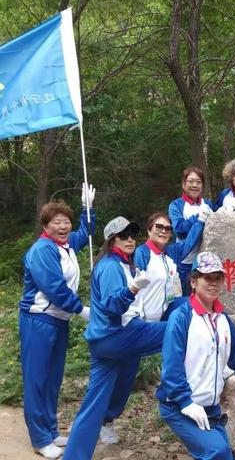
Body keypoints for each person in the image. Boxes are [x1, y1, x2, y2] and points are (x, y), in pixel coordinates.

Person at [63, 217, 168, 460]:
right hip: (119, 334)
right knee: (179, 329)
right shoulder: (111, 266)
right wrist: (132, 289)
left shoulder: (125, 264)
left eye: (132, 233)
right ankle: (179, 392)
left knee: (98, 398)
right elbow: (112, 305)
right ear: (112, 241)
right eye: (123, 235)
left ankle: (77, 453)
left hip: (105, 342)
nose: (130, 239)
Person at [19, 184, 95, 459]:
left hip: (58, 320)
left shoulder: (65, 246)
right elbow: (53, 287)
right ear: (46, 225)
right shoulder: (43, 250)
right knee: (37, 379)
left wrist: (88, 209)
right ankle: (39, 438)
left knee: (53, 379)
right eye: (57, 222)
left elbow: (85, 234)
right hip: (39, 320)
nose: (63, 227)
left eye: (66, 222)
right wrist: (81, 309)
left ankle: (50, 431)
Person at [157, 251, 235, 460]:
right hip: (179, 406)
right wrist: (185, 402)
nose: (213, 283)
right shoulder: (182, 318)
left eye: (218, 278)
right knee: (217, 452)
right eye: (207, 278)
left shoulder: (223, 319)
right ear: (193, 281)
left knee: (224, 453)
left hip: (210, 407)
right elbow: (171, 367)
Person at [169, 166, 214, 294]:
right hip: (185, 263)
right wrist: (198, 217)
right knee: (186, 300)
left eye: (198, 182)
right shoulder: (176, 205)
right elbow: (179, 229)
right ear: (184, 184)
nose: (195, 185)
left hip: (206, 262)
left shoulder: (208, 204)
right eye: (191, 181)